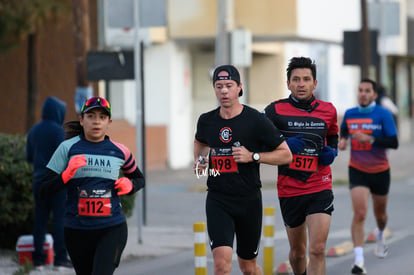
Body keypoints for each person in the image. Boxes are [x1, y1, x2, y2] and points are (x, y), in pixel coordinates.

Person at [193, 64, 292, 275]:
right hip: (218, 199)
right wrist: (201, 161)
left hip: (248, 201)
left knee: (248, 267)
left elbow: (286, 154)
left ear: (239, 87)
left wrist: (253, 156)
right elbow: (200, 143)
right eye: (219, 86)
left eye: (229, 85)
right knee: (221, 264)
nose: (224, 91)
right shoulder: (207, 121)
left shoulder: (256, 120)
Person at [39, 96, 145, 275]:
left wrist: (131, 185)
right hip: (76, 230)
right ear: (81, 120)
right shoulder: (67, 148)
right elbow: (43, 190)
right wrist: (66, 175)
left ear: (109, 122)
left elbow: (139, 179)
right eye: (91, 116)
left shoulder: (120, 151)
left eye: (102, 117)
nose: (97, 121)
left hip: (112, 228)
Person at [263, 56, 339, 275]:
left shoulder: (328, 110)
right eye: (296, 79)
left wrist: (332, 152)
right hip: (290, 189)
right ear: (288, 84)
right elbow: (258, 138)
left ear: (315, 83)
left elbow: (333, 135)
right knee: (298, 253)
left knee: (317, 250)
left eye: (306, 79)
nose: (301, 84)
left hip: (320, 186)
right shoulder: (274, 111)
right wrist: (283, 144)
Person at [338, 78, 398, 275]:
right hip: (358, 170)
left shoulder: (383, 114)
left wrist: (371, 138)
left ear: (373, 94)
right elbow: (344, 132)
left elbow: (394, 142)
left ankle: (380, 235)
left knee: (380, 215)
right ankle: (359, 262)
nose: (363, 94)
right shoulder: (350, 114)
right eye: (360, 90)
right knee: (360, 213)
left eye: (367, 91)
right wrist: (343, 141)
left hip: (380, 170)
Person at [26, 96, 72, 270]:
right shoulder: (58, 131)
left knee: (40, 220)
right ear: (58, 112)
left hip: (39, 182)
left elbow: (29, 157)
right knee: (59, 219)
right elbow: (64, 158)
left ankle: (37, 259)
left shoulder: (34, 130)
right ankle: (60, 257)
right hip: (56, 182)